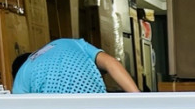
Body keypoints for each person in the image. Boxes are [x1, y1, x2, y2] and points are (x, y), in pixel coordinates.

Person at [11, 38, 140, 94]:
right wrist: (140, 100)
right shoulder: (69, 43)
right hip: (96, 106)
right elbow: (111, 63)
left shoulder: (21, 76)